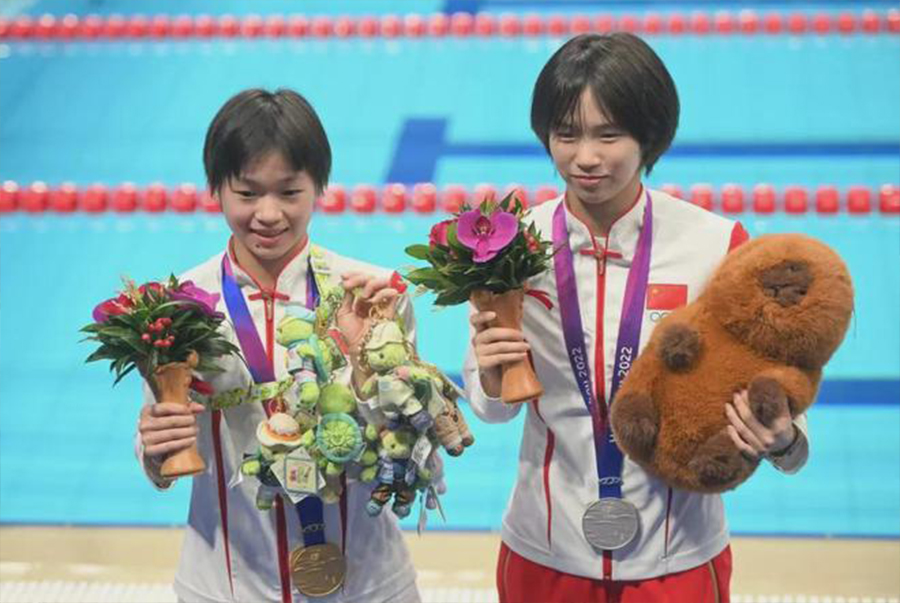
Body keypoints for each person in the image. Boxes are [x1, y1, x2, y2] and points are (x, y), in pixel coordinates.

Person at [464, 33, 809, 603]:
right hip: (544, 553)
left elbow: (784, 417)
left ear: (649, 136)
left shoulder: (716, 245)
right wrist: (491, 375)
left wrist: (783, 439)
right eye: (566, 134)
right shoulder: (509, 243)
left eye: (609, 134)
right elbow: (491, 409)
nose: (585, 157)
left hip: (678, 559)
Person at [136, 88, 420, 603]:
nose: (268, 214)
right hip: (224, 586)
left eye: (289, 192)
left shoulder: (375, 296)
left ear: (319, 188)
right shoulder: (176, 311)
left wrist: (366, 372)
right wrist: (154, 452)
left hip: (370, 586)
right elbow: (163, 456)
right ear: (216, 189)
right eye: (247, 193)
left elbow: (416, 455)